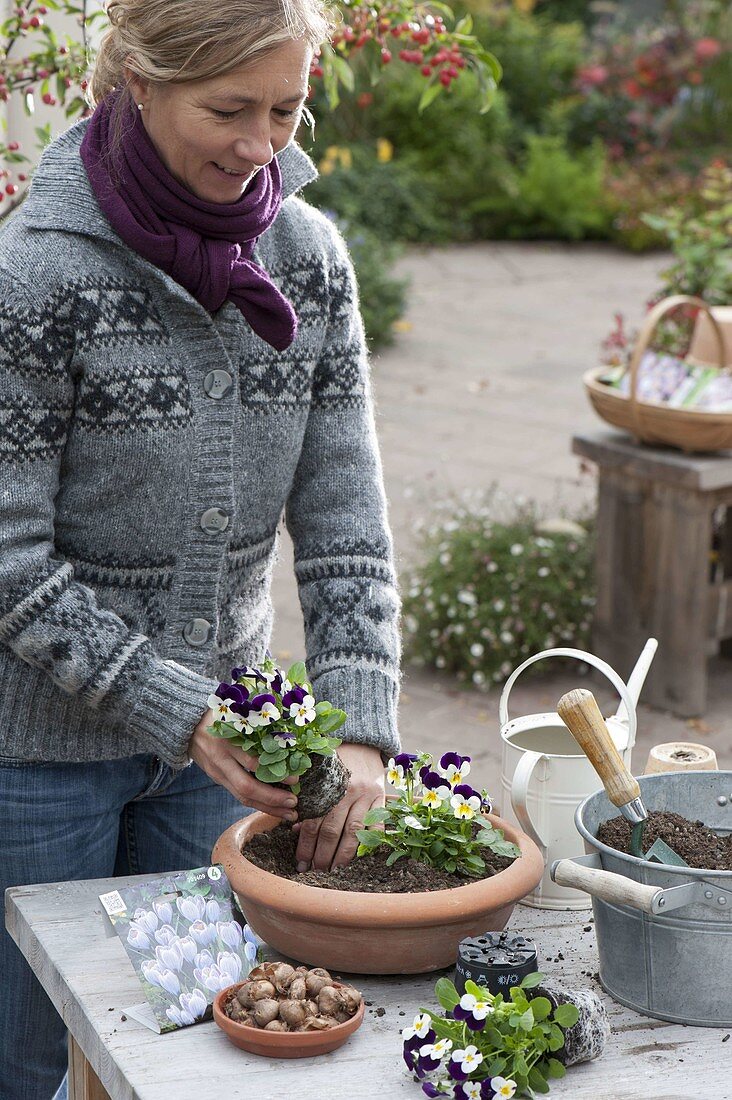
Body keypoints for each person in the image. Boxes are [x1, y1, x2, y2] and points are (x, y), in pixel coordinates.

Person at [0, 1, 401, 1095]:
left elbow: (345, 523)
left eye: (286, 109)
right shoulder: (33, 277)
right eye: (228, 109)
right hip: (31, 765)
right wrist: (174, 704)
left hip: (221, 762)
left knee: (194, 1045)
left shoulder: (308, 260)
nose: (262, 145)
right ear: (134, 75)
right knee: (21, 1056)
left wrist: (360, 729)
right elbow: (9, 557)